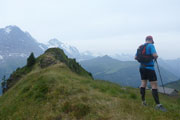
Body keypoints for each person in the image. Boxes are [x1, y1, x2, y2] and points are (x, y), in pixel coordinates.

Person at [135, 36, 167, 112]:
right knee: (154, 85)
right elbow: (155, 55)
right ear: (151, 40)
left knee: (143, 83)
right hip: (150, 68)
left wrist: (143, 60)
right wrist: (153, 58)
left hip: (141, 67)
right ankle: (158, 105)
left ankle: (143, 102)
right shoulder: (151, 45)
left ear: (146, 40)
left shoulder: (140, 47)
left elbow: (135, 57)